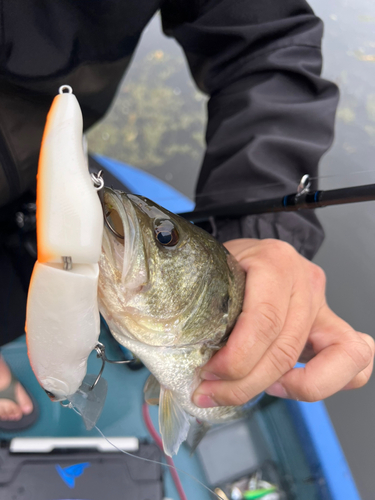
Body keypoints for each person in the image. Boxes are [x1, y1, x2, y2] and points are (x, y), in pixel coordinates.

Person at [0, 0, 373, 427]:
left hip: (43, 161)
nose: (161, 236)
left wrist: (264, 232)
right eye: (165, 237)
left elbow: (267, 39)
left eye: (165, 237)